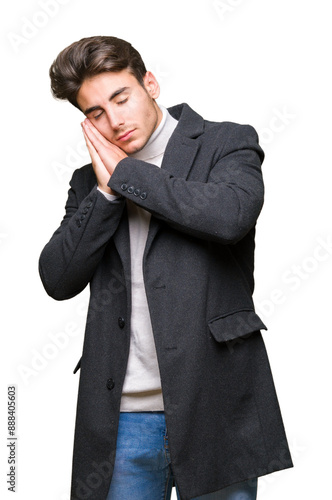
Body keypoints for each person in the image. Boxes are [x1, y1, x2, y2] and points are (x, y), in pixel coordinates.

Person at [39, 36, 293, 500]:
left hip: (216, 400)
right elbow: (57, 277)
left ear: (150, 83)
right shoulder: (88, 180)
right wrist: (106, 194)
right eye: (95, 112)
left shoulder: (226, 141)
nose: (113, 121)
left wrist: (127, 175)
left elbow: (230, 215)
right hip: (122, 416)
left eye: (121, 97)